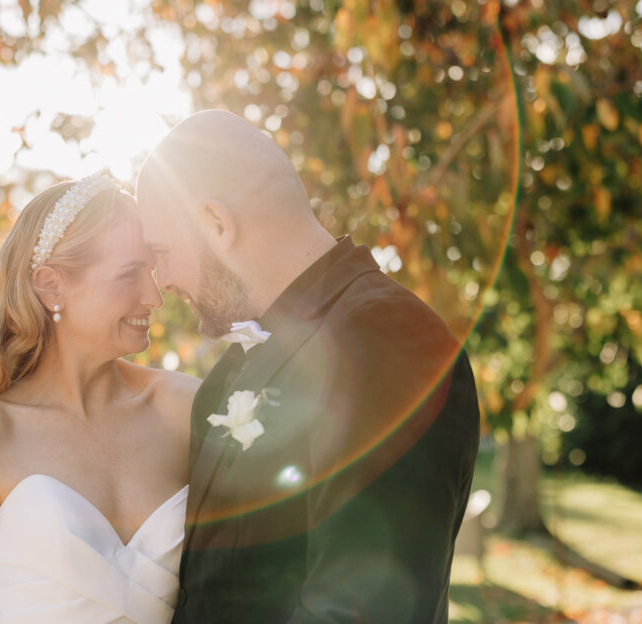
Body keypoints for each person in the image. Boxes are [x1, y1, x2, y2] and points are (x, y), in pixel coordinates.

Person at [135, 110, 481, 623]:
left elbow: (362, 610)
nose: (159, 280)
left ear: (216, 223)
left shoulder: (391, 343)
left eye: (161, 251)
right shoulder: (231, 374)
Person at [0, 174, 199, 624]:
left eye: (152, 271)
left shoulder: (183, 407)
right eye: (130, 273)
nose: (154, 296)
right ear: (51, 285)